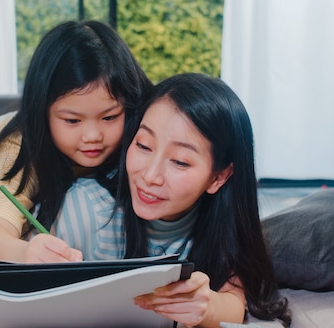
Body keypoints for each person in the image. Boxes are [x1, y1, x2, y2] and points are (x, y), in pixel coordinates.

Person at [0, 19, 152, 298]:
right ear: (42, 112)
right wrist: (25, 252)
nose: (93, 136)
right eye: (73, 120)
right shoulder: (17, 152)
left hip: (6, 129)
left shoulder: (139, 129)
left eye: (110, 117)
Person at [115, 73, 291, 327]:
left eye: (180, 161)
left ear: (218, 177)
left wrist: (207, 306)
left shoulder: (226, 232)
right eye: (143, 145)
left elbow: (235, 303)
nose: (151, 175)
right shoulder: (87, 209)